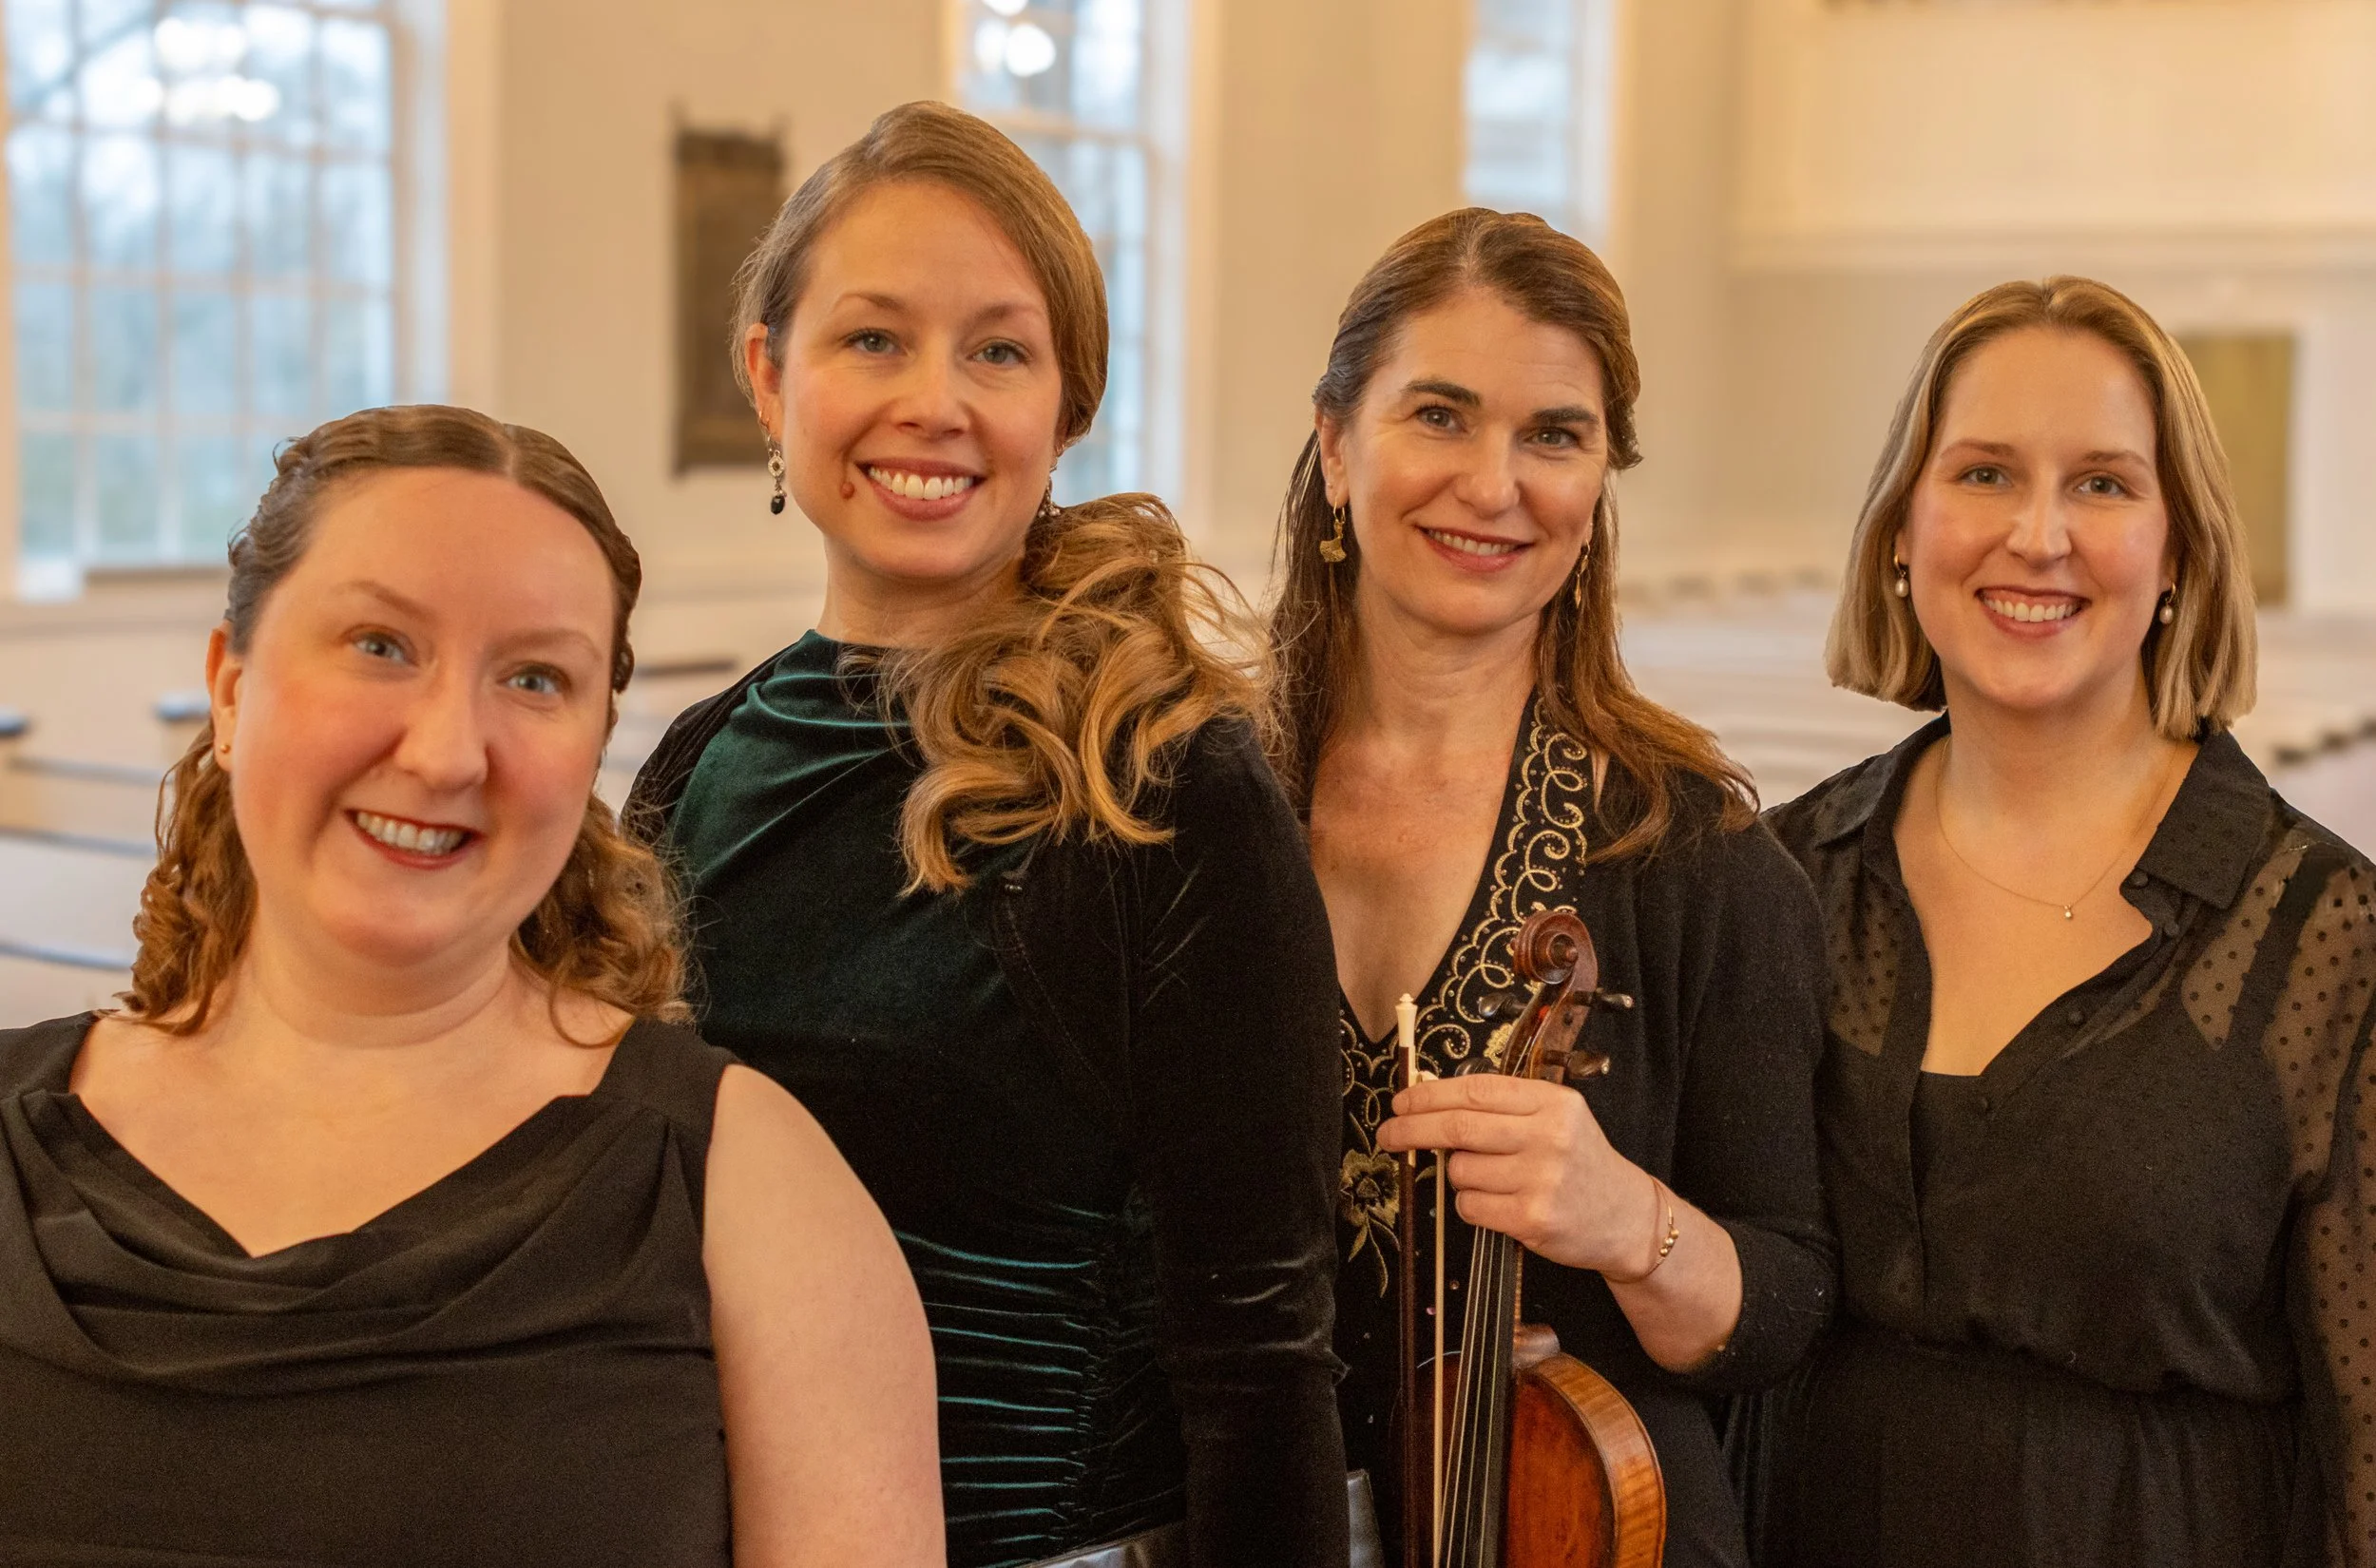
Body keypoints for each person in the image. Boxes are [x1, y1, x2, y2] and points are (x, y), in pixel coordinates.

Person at [0, 406, 942, 1568]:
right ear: (231, 690)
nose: (448, 752)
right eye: (381, 646)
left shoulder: (751, 1186)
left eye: (535, 678)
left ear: (595, 740)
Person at [625, 103, 1347, 1568]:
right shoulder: (694, 770)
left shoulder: (1168, 781)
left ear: (1068, 407)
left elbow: (1263, 1346)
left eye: (999, 350)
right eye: (873, 338)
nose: (933, 401)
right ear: (769, 373)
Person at [1764, 276, 2372, 1568]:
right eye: (1983, 473)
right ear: (1899, 528)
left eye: (2102, 483)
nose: (2037, 535)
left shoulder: (2327, 934)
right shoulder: (1785, 878)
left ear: (2180, 552)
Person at [1266, 207, 1834, 1568]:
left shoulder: (1692, 858)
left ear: (1599, 484)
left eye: (1554, 435)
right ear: (1339, 446)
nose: (1494, 482)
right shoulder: (1200, 811)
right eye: (1440, 416)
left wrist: (1628, 1218)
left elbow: (1788, 1299)